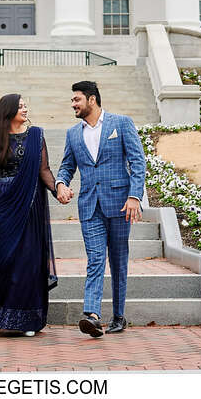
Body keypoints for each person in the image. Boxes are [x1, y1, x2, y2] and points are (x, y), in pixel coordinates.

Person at [55, 80, 146, 337]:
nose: (73, 104)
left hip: (120, 204)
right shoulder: (73, 133)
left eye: (77, 100)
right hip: (89, 205)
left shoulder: (121, 123)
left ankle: (118, 316)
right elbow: (66, 166)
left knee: (118, 261)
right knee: (95, 258)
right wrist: (61, 183)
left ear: (91, 100)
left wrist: (134, 196)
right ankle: (92, 315)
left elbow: (138, 162)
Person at [0, 93, 61, 335]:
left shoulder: (36, 137)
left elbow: (44, 170)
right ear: (8, 111)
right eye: (20, 106)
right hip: (2, 207)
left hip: (30, 207)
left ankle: (27, 321)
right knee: (2, 260)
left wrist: (57, 188)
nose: (25, 109)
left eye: (25, 105)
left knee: (28, 261)